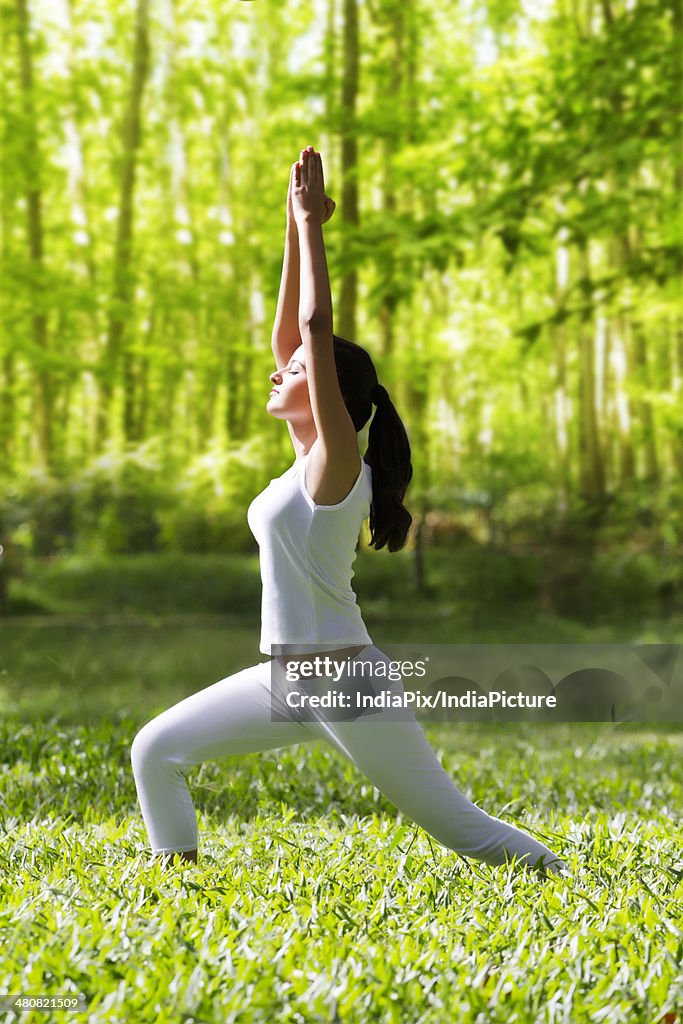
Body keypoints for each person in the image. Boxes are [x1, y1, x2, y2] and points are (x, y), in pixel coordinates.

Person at [130, 146, 568, 878]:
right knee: (155, 748)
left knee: (462, 830)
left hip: (345, 682)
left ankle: (560, 879)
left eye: (300, 371)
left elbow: (311, 327)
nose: (279, 369)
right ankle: (175, 883)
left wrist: (314, 230)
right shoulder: (302, 462)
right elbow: (289, 336)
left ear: (332, 391)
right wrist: (288, 232)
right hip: (286, 680)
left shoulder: (337, 468)